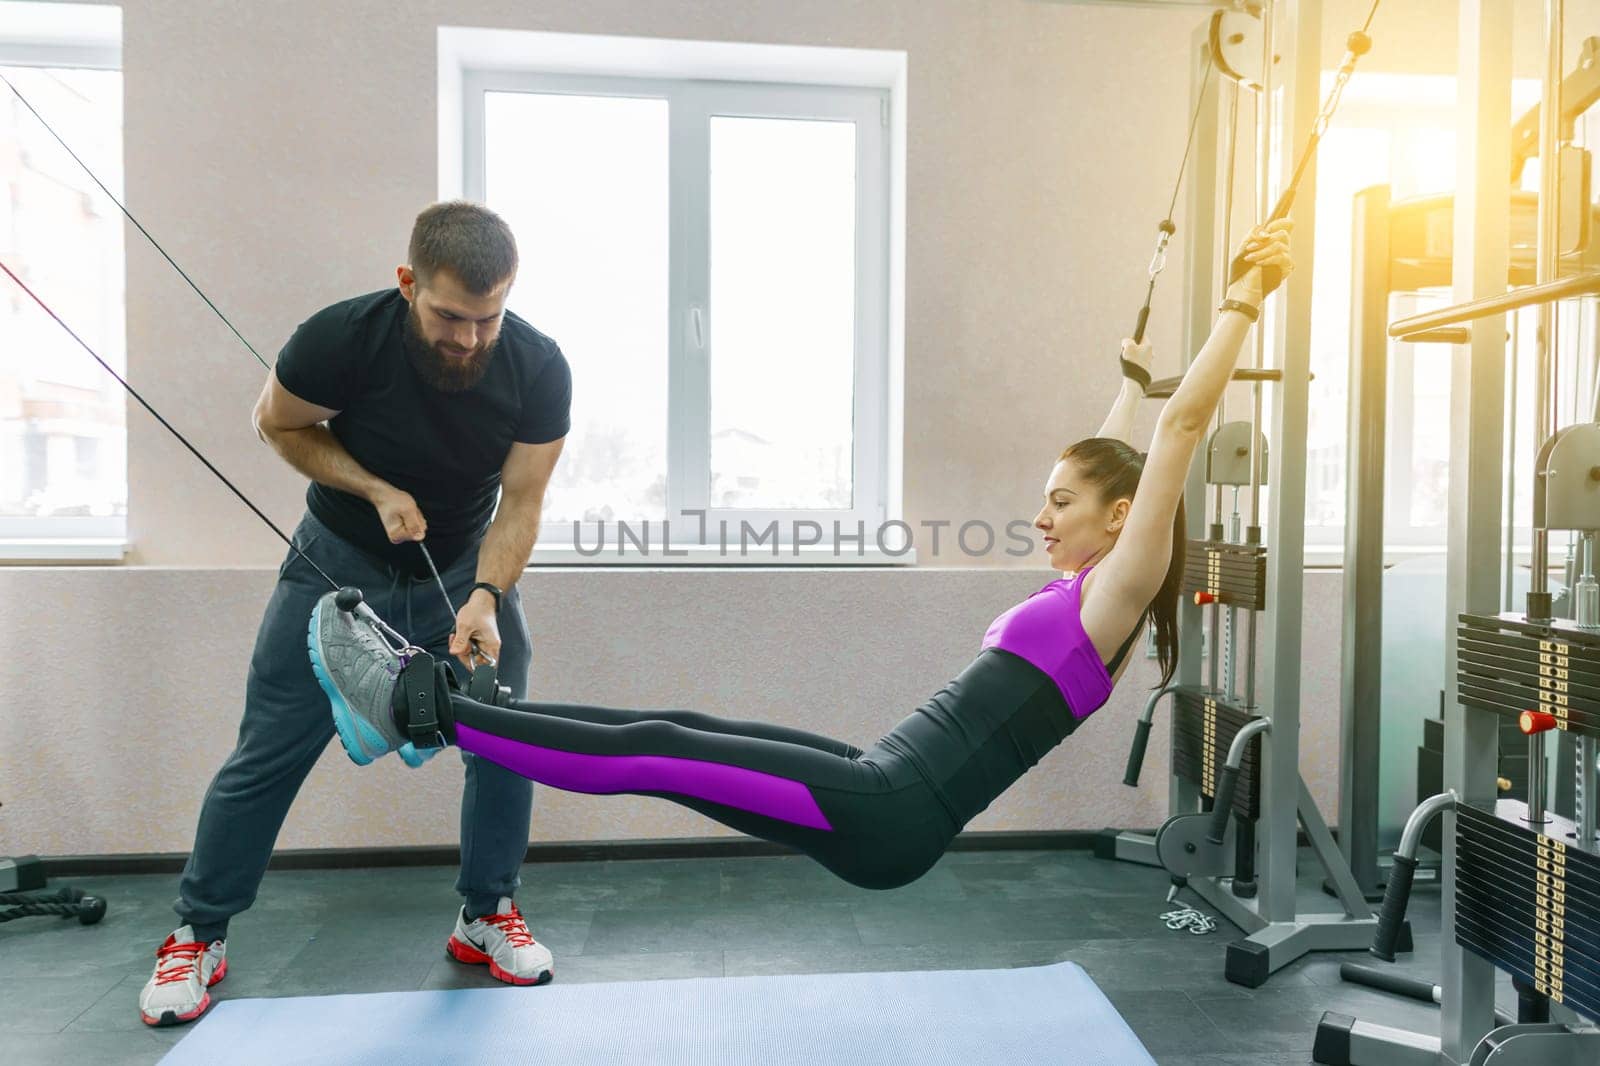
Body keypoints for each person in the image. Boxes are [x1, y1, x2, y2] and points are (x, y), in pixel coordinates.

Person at [309, 219, 1290, 895]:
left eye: (1061, 503)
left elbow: (1176, 436)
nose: (1040, 515)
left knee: (656, 752)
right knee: (672, 725)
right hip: (881, 777)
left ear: (1120, 519)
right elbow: (1121, 453)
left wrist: (1242, 301)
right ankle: (422, 706)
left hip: (889, 813)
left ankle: (419, 707)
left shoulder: (1117, 590)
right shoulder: (1088, 579)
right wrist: (1126, 386)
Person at [139, 201, 571, 1027]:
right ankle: (199, 933)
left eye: (489, 318)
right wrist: (374, 489)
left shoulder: (538, 367)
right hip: (334, 565)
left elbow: (522, 502)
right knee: (270, 748)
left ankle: (486, 913)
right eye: (450, 315)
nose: (470, 339)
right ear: (408, 282)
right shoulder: (340, 339)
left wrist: (487, 597)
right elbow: (276, 422)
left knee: (506, 736)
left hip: (459, 571)